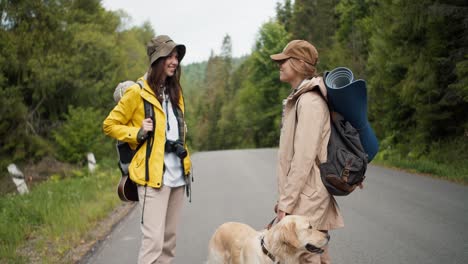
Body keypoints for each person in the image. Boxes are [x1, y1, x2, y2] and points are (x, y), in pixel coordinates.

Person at [103, 35, 192, 264]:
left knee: (169, 243)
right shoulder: (137, 92)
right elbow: (109, 125)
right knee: (152, 244)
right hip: (152, 178)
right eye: (169, 56)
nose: (174, 61)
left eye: (176, 57)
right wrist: (137, 132)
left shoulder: (175, 92)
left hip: (178, 177)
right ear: (156, 59)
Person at [270, 40, 344, 263]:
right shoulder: (302, 98)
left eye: (284, 60)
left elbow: (303, 158)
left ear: (299, 64)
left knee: (306, 257)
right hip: (306, 193)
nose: (280, 65)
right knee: (318, 257)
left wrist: (286, 203)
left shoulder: (310, 101)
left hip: (308, 195)